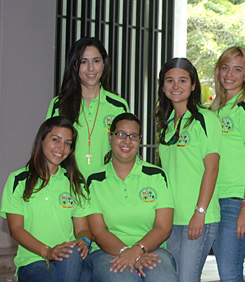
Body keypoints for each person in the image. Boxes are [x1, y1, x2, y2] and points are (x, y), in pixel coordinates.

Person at [83, 113, 178, 281]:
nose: (127, 141)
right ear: (110, 137)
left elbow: (163, 227)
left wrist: (137, 250)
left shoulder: (156, 175)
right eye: (121, 134)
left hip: (151, 249)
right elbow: (98, 231)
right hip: (107, 252)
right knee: (123, 277)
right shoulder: (95, 180)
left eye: (133, 136)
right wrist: (125, 252)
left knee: (163, 277)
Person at [0, 116, 91, 282]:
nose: (61, 148)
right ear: (41, 140)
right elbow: (16, 229)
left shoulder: (75, 183)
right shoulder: (19, 180)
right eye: (55, 140)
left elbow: (82, 228)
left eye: (67, 143)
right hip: (33, 261)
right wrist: (47, 251)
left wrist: (83, 240)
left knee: (75, 257)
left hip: (69, 260)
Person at [154, 58, 222, 281]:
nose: (176, 86)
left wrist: (199, 212)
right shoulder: (167, 124)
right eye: (170, 81)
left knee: (187, 279)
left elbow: (211, 169)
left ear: (193, 85)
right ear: (163, 87)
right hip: (171, 220)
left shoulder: (206, 119)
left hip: (198, 217)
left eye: (182, 80)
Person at [210, 46, 245, 282]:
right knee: (225, 271)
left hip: (237, 202)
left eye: (237, 69)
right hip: (214, 200)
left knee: (230, 273)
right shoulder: (214, 110)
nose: (229, 74)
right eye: (225, 67)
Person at [46, 37, 129, 179]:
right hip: (67, 186)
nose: (91, 68)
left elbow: (126, 150)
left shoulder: (118, 106)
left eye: (96, 61)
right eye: (84, 62)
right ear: (74, 65)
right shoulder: (59, 104)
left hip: (105, 186)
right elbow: (48, 147)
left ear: (104, 64)